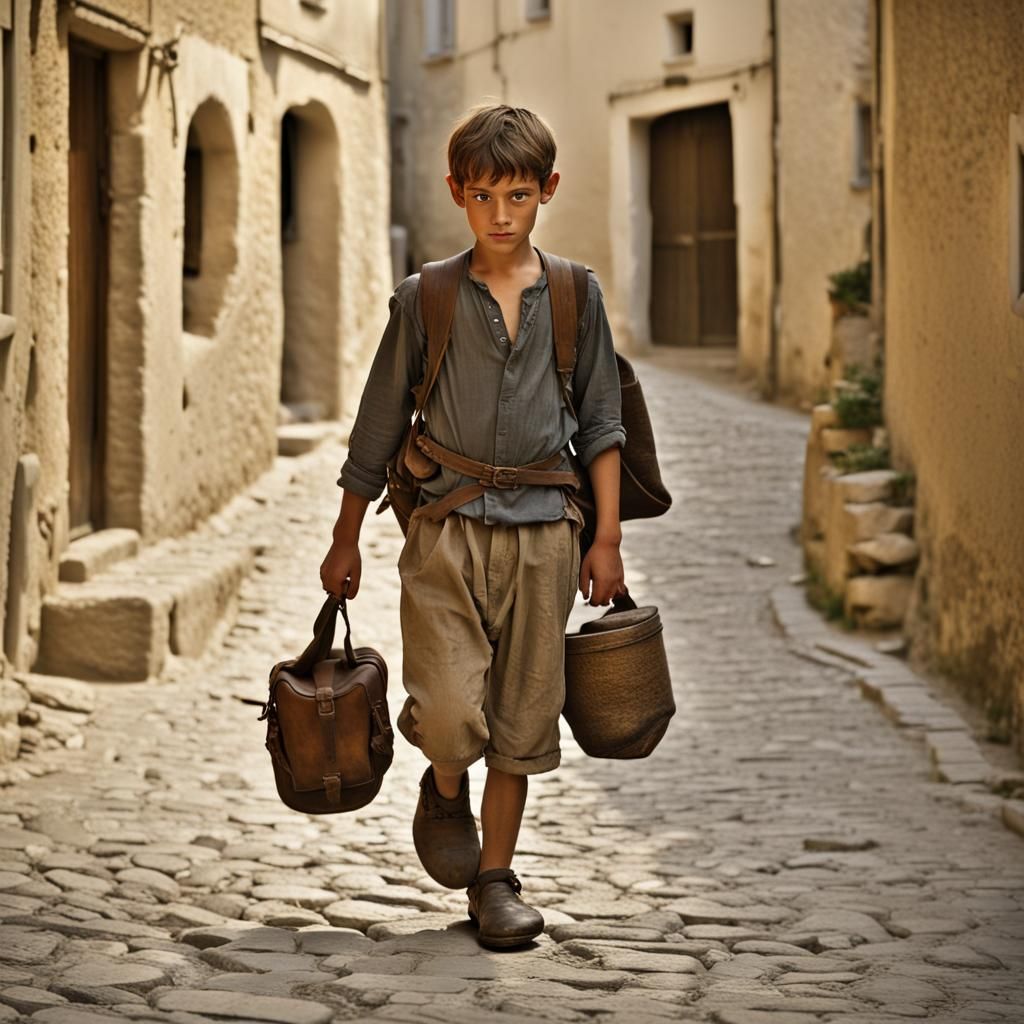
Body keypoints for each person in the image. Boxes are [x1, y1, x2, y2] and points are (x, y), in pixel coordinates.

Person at [320, 103, 626, 949]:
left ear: (547, 192)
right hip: (445, 533)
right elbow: (377, 427)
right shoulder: (427, 298)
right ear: (457, 193)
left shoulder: (574, 293)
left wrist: (606, 539)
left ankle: (495, 880)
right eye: (484, 195)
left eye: (519, 196)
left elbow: (602, 422)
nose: (501, 214)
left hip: (547, 539)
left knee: (523, 721)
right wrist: (345, 537)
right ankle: (444, 782)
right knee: (452, 710)